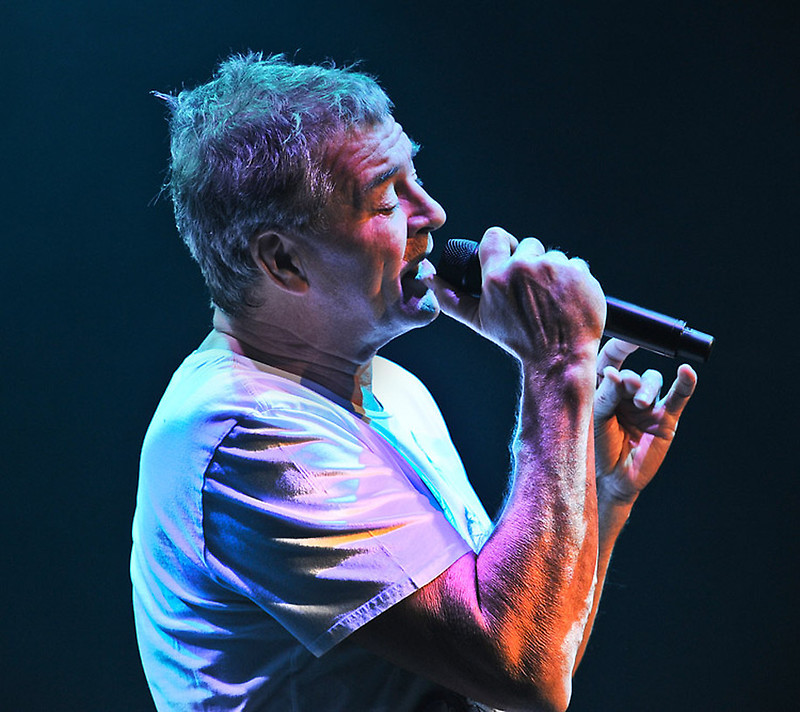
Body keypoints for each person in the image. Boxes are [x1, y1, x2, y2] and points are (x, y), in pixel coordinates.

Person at [131, 52, 698, 712]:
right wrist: (557, 368)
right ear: (282, 260)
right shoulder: (245, 432)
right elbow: (522, 670)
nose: (433, 212)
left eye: (416, 177)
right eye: (386, 198)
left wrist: (598, 489)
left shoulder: (396, 391)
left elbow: (535, 651)